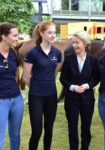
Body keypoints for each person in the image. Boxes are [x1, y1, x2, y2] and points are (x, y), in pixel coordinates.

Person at [22, 21, 61, 150]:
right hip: (36, 97)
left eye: (54, 32)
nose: (53, 35)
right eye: (50, 33)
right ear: (41, 33)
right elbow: (25, 77)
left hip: (51, 96)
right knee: (37, 132)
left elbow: (55, 72)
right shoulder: (32, 52)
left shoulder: (57, 53)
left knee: (49, 131)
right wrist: (36, 87)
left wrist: (47, 83)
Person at [60, 30, 99, 150]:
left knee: (86, 128)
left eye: (77, 42)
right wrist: (72, 87)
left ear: (85, 44)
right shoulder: (69, 59)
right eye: (73, 43)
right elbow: (63, 78)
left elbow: (97, 78)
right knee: (72, 128)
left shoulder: (93, 60)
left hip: (87, 99)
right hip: (71, 99)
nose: (74, 45)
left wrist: (88, 85)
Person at [0, 22, 24, 150]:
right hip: (1, 101)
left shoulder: (14, 53)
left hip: (16, 100)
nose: (17, 38)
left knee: (15, 135)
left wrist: (16, 93)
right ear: (4, 36)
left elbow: (16, 74)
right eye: (14, 36)